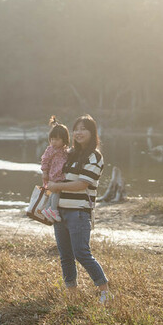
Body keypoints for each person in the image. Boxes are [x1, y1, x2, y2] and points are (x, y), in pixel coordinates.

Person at [45, 114, 111, 303]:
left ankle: (105, 291)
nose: (79, 132)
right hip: (60, 211)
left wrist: (57, 187)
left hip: (79, 212)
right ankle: (72, 294)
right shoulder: (69, 154)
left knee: (81, 252)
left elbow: (83, 184)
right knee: (65, 255)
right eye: (77, 128)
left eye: (84, 129)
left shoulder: (95, 156)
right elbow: (54, 171)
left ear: (92, 133)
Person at [40, 116, 69, 223]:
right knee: (56, 191)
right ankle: (53, 210)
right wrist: (44, 172)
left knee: (53, 192)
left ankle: (47, 209)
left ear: (64, 140)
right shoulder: (51, 149)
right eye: (52, 139)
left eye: (57, 139)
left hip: (59, 173)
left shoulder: (64, 150)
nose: (54, 142)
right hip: (54, 174)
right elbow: (44, 160)